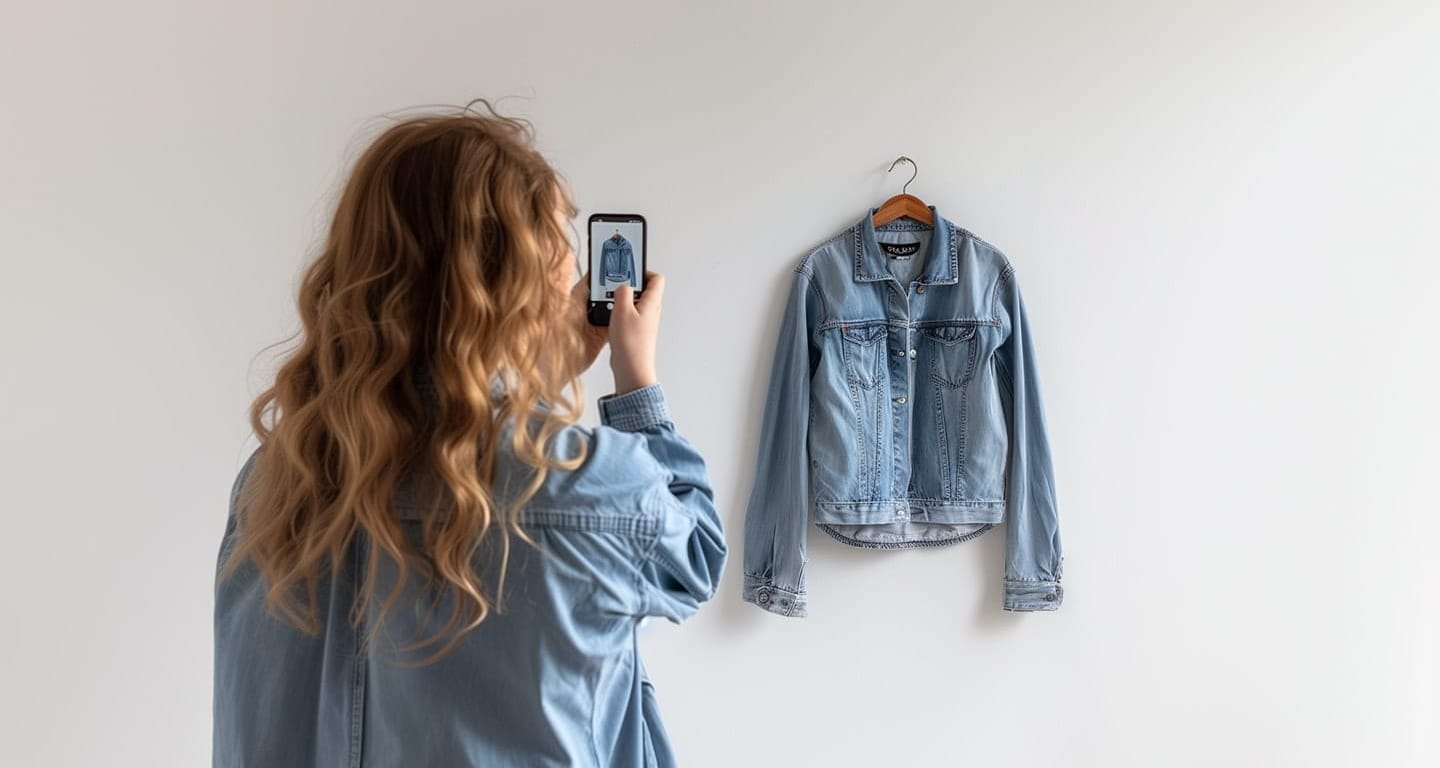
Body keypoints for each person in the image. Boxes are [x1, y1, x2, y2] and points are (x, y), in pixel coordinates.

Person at [212, 101, 726, 768]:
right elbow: (696, 557)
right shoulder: (584, 483)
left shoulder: (278, 481)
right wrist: (635, 383)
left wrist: (534, 382)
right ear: (526, 286)